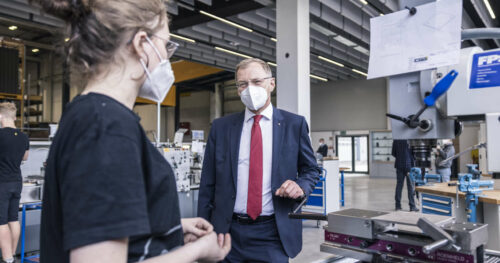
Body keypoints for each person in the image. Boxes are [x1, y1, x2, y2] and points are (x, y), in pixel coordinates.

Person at [33, 0, 230, 262]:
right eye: (166, 45)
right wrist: (198, 251)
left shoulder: (96, 117)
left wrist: (171, 228)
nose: (168, 56)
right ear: (141, 44)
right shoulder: (105, 127)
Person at [198, 58, 321, 262]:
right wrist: (203, 230)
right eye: (242, 84)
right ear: (237, 89)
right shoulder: (221, 128)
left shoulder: (294, 125)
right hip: (226, 232)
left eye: (256, 81)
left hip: (273, 233)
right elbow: (207, 183)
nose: (249, 89)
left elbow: (311, 169)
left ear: (271, 84)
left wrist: (300, 186)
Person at [0, 102, 29, 263]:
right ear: (15, 117)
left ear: (0, 116)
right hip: (16, 181)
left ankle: (7, 258)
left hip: (1, 182)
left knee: (1, 221)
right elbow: (25, 157)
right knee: (13, 218)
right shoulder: (23, 136)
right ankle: (11, 256)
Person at [392, 140, 418, 212]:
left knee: (399, 185)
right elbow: (415, 153)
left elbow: (393, 153)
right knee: (410, 186)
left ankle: (398, 206)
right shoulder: (410, 139)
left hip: (399, 165)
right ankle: (412, 207)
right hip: (410, 165)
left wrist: (400, 157)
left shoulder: (396, 140)